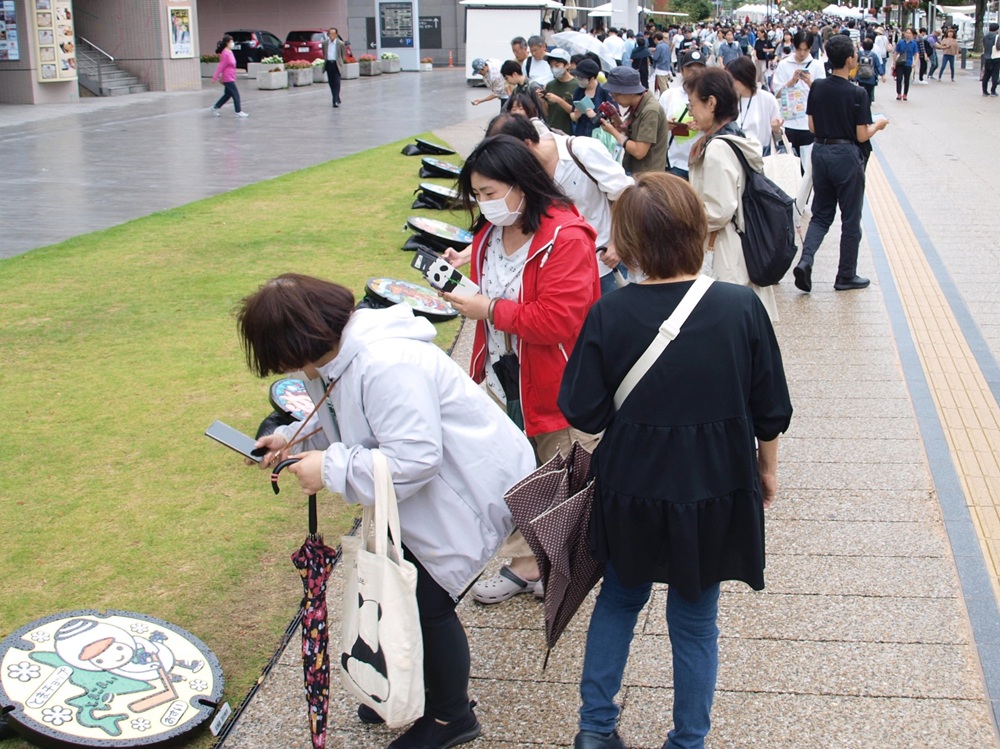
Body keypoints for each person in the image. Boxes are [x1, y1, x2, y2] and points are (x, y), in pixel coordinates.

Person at [237, 274, 537, 749]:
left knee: (428, 602)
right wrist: (295, 439)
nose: (284, 367)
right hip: (438, 487)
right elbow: (341, 418)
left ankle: (450, 716)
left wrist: (329, 466)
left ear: (301, 341)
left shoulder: (385, 363)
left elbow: (415, 458)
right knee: (409, 591)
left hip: (466, 484)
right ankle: (413, 692)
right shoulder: (338, 358)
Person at [558, 171, 792, 749]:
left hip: (631, 482)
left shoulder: (610, 313)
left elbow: (583, 412)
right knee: (695, 620)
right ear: (698, 230)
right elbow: (770, 409)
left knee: (618, 599)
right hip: (714, 483)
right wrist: (767, 470)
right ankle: (688, 739)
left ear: (630, 242)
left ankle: (594, 729)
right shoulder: (740, 308)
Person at [443, 135, 602, 604]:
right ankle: (532, 560)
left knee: (555, 472)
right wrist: (462, 288)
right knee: (513, 472)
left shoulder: (565, 236)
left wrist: (488, 308)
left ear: (522, 185)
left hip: (554, 380)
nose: (484, 204)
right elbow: (486, 283)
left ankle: (539, 564)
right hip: (500, 374)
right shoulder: (491, 232)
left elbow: (559, 319)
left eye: (490, 193)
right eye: (477, 195)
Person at [485, 112, 634, 295]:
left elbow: (627, 196)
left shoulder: (582, 150)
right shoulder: (523, 174)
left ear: (526, 145)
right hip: (559, 272)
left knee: (609, 322)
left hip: (604, 265)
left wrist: (619, 243)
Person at [792, 34, 890, 294]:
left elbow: (812, 126)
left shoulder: (818, 87)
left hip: (821, 152)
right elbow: (860, 135)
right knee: (850, 218)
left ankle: (806, 259)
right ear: (849, 60)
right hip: (846, 157)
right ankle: (845, 275)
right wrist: (877, 125)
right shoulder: (858, 93)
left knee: (821, 215)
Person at [685, 68, 778, 321]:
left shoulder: (717, 149)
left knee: (727, 324)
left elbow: (718, 210)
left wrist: (680, 220)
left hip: (724, 252)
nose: (690, 110)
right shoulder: (735, 137)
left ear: (711, 103)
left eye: (692, 104)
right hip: (739, 245)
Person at [771, 31, 825, 177]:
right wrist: (791, 82)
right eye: (799, 49)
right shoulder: (784, 64)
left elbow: (822, 95)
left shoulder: (817, 66)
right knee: (787, 162)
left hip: (807, 122)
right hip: (787, 121)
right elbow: (776, 93)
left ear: (810, 48)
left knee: (806, 165)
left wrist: (809, 82)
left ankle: (803, 197)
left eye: (805, 50)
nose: (802, 53)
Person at [599, 66, 669, 174]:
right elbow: (628, 134)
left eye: (616, 95)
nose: (614, 99)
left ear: (630, 92)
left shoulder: (650, 111)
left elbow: (639, 151)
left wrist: (612, 132)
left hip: (647, 176)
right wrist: (616, 119)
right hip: (634, 169)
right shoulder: (636, 104)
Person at [659, 49, 707, 179]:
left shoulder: (711, 97)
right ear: (682, 70)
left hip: (703, 164)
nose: (695, 72)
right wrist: (665, 125)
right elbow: (656, 125)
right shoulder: (669, 95)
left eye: (700, 68)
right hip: (675, 164)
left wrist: (703, 126)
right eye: (690, 68)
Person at [727, 55, 782, 156]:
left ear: (744, 78)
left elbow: (778, 138)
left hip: (762, 157)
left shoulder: (767, 99)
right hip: (737, 156)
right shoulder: (730, 101)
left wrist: (776, 129)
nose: (730, 84)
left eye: (733, 80)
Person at [570, 59, 614, 138]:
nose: (579, 80)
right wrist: (576, 115)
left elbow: (613, 118)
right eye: (578, 77)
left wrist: (596, 116)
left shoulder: (605, 92)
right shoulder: (578, 91)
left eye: (582, 78)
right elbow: (572, 115)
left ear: (593, 78)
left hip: (599, 137)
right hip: (581, 135)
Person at [210, 35, 248, 118]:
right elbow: (221, 66)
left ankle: (215, 107)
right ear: (227, 43)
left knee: (227, 95)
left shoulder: (230, 52)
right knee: (235, 94)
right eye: (231, 42)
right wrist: (215, 77)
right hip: (227, 77)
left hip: (231, 76)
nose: (233, 43)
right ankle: (238, 111)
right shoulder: (225, 53)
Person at [543, 48, 578, 134]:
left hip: (569, 133)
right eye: (551, 66)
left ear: (567, 65)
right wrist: (542, 99)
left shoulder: (577, 85)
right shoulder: (550, 85)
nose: (554, 69)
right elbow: (547, 112)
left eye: (557, 65)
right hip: (552, 130)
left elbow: (576, 112)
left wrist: (559, 100)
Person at [854, 38, 885, 104]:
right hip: (871, 78)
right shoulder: (874, 55)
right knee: (869, 92)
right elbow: (878, 66)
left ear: (862, 46)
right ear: (872, 47)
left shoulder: (859, 54)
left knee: (861, 91)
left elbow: (854, 64)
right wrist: (882, 75)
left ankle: (862, 103)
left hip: (861, 77)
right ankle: (868, 104)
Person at [321, 28, 345, 108]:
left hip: (336, 64)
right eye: (330, 34)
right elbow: (324, 53)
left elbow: (342, 55)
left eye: (333, 34)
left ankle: (335, 100)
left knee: (337, 83)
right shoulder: (325, 43)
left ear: (336, 35)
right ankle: (336, 97)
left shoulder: (340, 44)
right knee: (331, 83)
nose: (331, 35)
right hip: (329, 64)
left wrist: (340, 63)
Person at [894, 27, 918, 99]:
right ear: (904, 34)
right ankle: (898, 93)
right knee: (899, 79)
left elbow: (916, 54)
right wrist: (894, 63)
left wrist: (915, 62)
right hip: (900, 63)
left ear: (912, 35)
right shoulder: (900, 42)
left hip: (908, 63)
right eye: (907, 33)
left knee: (907, 79)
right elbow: (895, 53)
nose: (908, 34)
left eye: (910, 33)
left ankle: (905, 94)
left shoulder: (913, 44)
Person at [982, 23, 1000, 96]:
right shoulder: (997, 37)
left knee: (986, 75)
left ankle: (984, 91)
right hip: (996, 57)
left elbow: (984, 45)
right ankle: (993, 91)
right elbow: (998, 47)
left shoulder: (985, 36)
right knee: (995, 75)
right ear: (997, 29)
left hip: (987, 57)